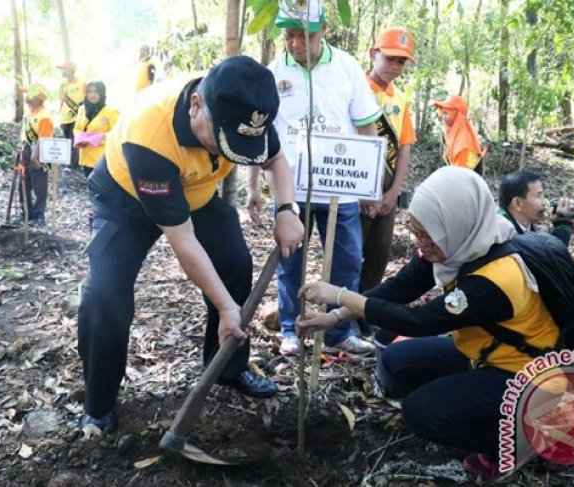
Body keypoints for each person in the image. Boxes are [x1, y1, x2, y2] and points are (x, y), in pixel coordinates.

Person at [77, 56, 304, 432]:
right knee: (104, 294)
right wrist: (227, 307)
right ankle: (98, 404)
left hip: (193, 191)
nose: (227, 153)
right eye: (222, 141)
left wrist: (286, 209)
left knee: (234, 262)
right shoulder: (150, 133)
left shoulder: (245, 110)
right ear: (197, 105)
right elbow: (182, 241)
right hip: (125, 198)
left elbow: (276, 158)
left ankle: (228, 367)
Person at [298, 166, 561, 480]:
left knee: (422, 414)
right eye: (416, 231)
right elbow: (401, 287)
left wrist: (341, 295)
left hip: (529, 373)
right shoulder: (458, 242)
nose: (420, 242)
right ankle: (474, 406)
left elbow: (418, 321)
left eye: (427, 234)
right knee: (395, 364)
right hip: (486, 353)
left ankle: (516, 441)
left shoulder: (498, 277)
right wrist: (336, 316)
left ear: (455, 221)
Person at [248, 0, 380, 357]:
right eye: (289, 36)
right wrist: (253, 186)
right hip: (292, 187)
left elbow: (366, 123)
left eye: (303, 36)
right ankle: (291, 328)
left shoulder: (347, 67)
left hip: (342, 183)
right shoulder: (274, 73)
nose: (294, 44)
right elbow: (262, 134)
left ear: (323, 30)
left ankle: (339, 330)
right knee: (291, 259)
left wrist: (372, 183)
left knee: (346, 259)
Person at [359, 27, 417, 295]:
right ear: (374, 54)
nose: (395, 66)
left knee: (379, 255)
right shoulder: (356, 88)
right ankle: (338, 313)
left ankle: (364, 314)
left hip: (387, 186)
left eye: (401, 61)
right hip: (357, 186)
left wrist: (394, 193)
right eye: (390, 58)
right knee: (349, 253)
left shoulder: (400, 100)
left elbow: (405, 146)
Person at [498, 170, 574, 247]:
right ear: (518, 203)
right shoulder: (502, 235)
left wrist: (560, 224)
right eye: (538, 196)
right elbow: (550, 259)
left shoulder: (522, 227)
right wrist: (564, 226)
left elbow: (542, 251)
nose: (544, 202)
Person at [18, 84, 54, 225]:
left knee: (39, 184)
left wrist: (34, 157)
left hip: (39, 152)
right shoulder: (30, 114)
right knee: (23, 183)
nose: (26, 97)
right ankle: (26, 212)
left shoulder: (44, 117)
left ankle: (39, 215)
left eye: (30, 94)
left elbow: (44, 139)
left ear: (39, 98)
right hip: (26, 150)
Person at [73, 81, 119, 178]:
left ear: (102, 93)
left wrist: (97, 138)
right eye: (89, 92)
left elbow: (116, 134)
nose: (92, 95)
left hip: (102, 160)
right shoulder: (82, 109)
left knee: (101, 189)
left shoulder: (111, 112)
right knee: (90, 187)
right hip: (85, 157)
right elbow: (77, 128)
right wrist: (80, 138)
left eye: (96, 92)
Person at [434, 95, 483, 173]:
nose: (443, 117)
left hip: (467, 178)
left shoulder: (464, 139)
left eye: (446, 113)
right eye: (442, 113)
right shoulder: (450, 133)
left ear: (456, 114)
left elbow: (463, 172)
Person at [57, 60, 85, 168]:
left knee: (75, 140)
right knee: (67, 140)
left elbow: (87, 97)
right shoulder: (62, 84)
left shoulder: (82, 82)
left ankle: (73, 165)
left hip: (77, 116)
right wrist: (60, 113)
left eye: (63, 69)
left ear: (71, 71)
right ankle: (69, 161)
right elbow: (61, 100)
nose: (62, 72)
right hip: (65, 117)